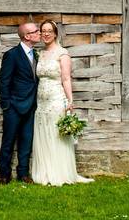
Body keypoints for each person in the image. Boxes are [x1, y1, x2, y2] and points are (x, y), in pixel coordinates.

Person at [30, 20, 93, 186]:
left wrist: (69, 100)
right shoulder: (39, 54)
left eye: (49, 31)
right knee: (44, 134)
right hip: (41, 101)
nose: (46, 34)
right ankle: (44, 172)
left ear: (56, 33)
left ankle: (59, 173)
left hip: (56, 99)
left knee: (56, 136)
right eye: (43, 31)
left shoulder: (62, 54)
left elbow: (65, 78)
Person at [0, 21, 40, 184]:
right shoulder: (12, 54)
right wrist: (6, 105)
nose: (40, 33)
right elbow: (4, 81)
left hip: (31, 105)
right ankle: (4, 174)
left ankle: (23, 173)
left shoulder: (36, 54)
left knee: (26, 140)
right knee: (8, 141)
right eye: (36, 31)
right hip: (13, 106)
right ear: (27, 36)